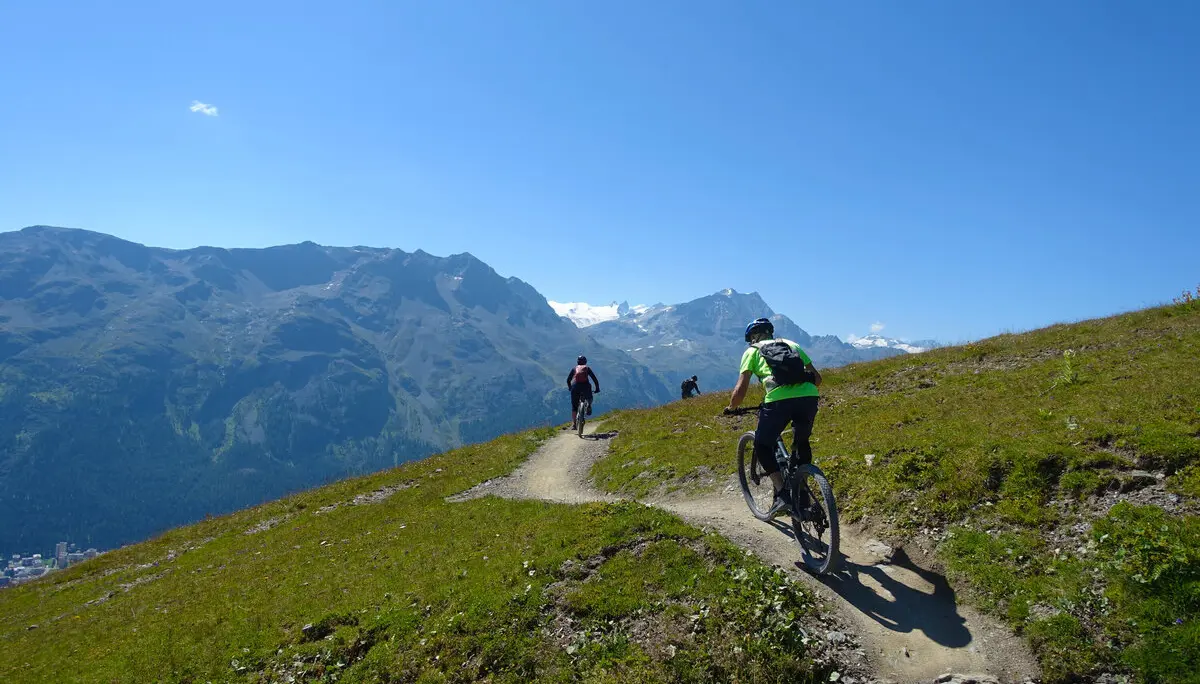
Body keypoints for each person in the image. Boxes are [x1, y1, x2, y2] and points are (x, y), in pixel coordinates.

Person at [724, 317, 822, 514]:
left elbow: (741, 389)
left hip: (778, 401)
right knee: (801, 443)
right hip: (810, 397)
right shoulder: (792, 345)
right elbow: (818, 379)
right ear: (770, 332)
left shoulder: (752, 351)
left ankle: (782, 495)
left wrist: (731, 407)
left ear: (752, 337)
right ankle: (803, 492)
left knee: (762, 445)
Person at [566, 355, 600, 428]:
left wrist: (570, 388)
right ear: (585, 362)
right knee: (589, 397)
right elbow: (594, 379)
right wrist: (597, 388)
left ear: (577, 362)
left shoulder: (574, 369)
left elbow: (568, 380)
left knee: (574, 407)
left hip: (575, 387)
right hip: (586, 386)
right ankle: (589, 405)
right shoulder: (587, 368)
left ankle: (574, 424)